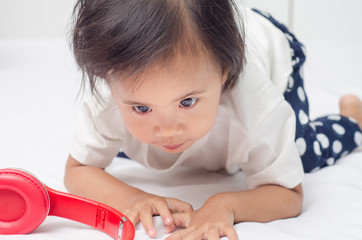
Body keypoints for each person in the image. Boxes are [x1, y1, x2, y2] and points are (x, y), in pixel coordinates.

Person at [64, 1, 362, 239]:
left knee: (302, 153)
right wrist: (131, 198)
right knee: (128, 137)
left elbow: (289, 194)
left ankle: (352, 119)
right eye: (142, 108)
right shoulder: (110, 101)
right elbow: (78, 168)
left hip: (271, 48)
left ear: (224, 74)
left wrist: (226, 205)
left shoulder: (258, 108)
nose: (167, 130)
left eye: (187, 102)